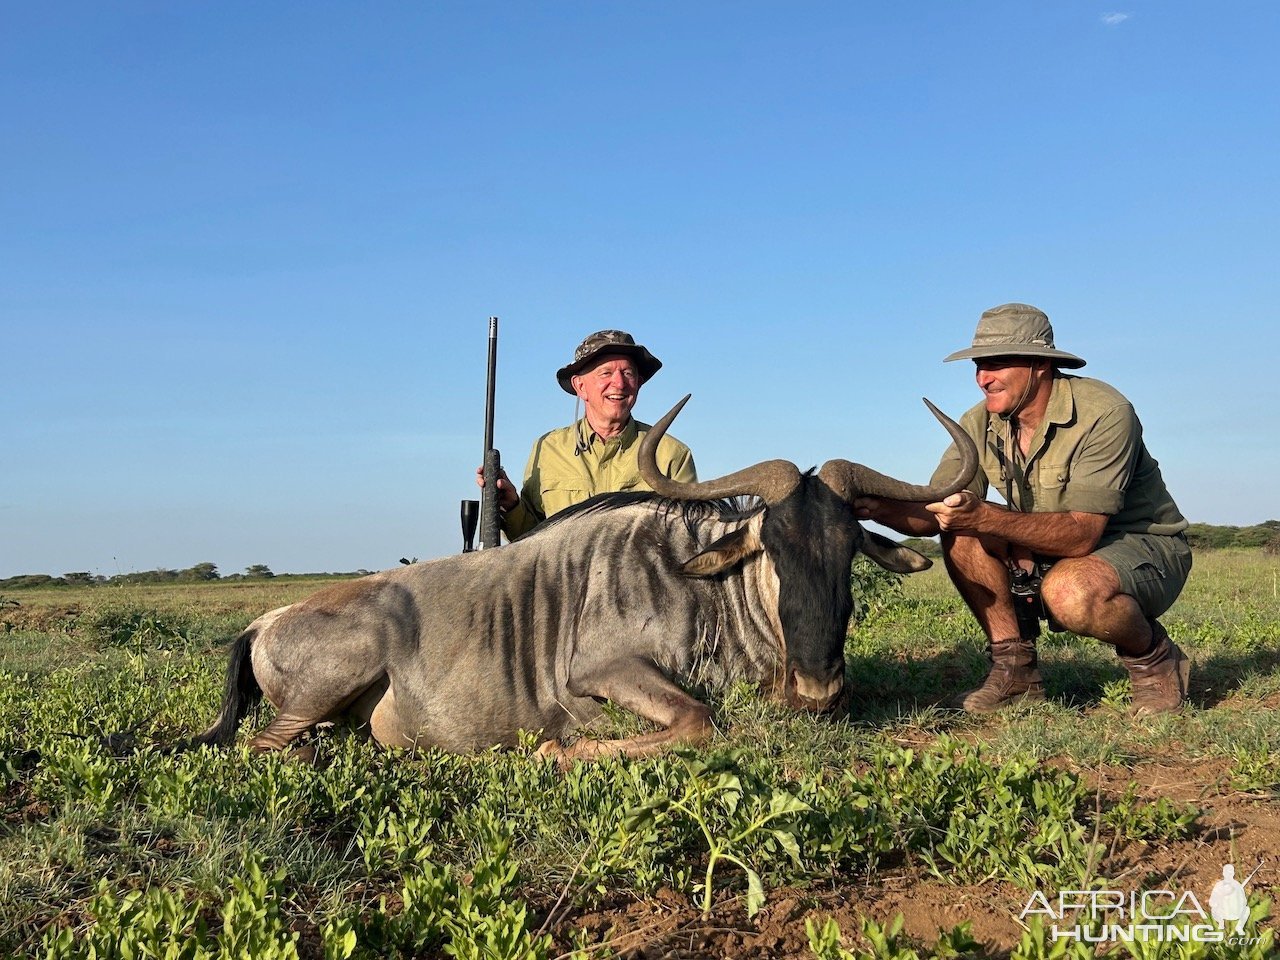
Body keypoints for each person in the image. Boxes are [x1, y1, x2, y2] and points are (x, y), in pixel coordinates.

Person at [855, 303, 1192, 716]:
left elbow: (1083, 534)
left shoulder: (1104, 411)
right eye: (979, 364)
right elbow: (933, 513)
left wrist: (985, 517)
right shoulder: (979, 422)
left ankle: (1156, 661)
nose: (982, 378)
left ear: (1040, 365)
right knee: (960, 530)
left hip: (1140, 545)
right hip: (1054, 545)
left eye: (996, 364)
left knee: (1069, 591)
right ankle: (1015, 673)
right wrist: (870, 505)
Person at [477, 329, 696, 540]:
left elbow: (686, 538)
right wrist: (512, 504)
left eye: (628, 373)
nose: (619, 383)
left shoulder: (672, 454)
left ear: (638, 383)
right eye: (606, 373)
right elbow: (531, 538)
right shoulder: (548, 448)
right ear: (580, 386)